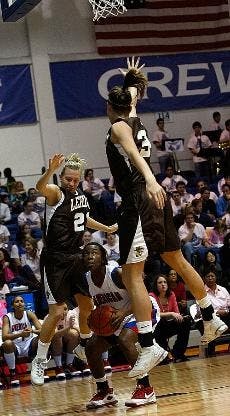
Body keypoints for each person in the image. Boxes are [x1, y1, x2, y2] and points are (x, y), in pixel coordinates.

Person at [106, 57, 227, 378]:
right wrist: (133, 76)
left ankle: (148, 344)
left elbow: (132, 153)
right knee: (176, 259)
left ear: (108, 106)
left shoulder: (118, 125)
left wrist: (149, 177)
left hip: (138, 200)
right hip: (153, 202)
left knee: (132, 275)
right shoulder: (133, 115)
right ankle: (210, 316)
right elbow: (134, 92)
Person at [30, 153, 117, 386]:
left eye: (75, 180)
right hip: (55, 260)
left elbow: (84, 218)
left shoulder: (80, 195)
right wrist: (49, 171)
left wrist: (106, 227)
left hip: (75, 256)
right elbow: (40, 187)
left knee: (88, 306)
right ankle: (39, 360)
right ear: (61, 178)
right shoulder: (56, 193)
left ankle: (85, 345)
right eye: (68, 179)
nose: (72, 183)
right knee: (57, 312)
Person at [82, 243, 161, 409]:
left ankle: (146, 389)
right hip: (116, 316)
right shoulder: (87, 278)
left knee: (125, 340)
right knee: (91, 347)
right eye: (86, 254)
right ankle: (104, 391)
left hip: (141, 309)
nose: (90, 256)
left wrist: (123, 313)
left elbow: (142, 296)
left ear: (103, 258)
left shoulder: (116, 273)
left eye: (94, 253)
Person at [1, 295, 41, 386]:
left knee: (42, 339)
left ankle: (38, 370)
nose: (19, 303)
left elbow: (42, 330)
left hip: (29, 343)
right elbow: (4, 337)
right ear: (12, 306)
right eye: (17, 301)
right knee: (7, 343)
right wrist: (20, 334)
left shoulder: (29, 314)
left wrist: (32, 330)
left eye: (21, 301)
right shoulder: (7, 317)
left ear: (24, 304)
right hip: (15, 346)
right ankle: (13, 373)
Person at [151, 274, 191, 362]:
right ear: (155, 285)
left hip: (169, 324)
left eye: (165, 282)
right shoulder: (151, 296)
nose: (163, 284)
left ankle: (178, 353)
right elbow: (155, 315)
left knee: (186, 321)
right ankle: (164, 354)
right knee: (160, 322)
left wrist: (178, 316)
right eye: (160, 282)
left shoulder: (171, 294)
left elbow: (177, 313)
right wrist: (171, 314)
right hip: (156, 327)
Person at [50, 303, 81, 379]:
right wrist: (69, 327)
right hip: (52, 343)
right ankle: (59, 367)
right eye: (61, 309)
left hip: (67, 341)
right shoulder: (51, 317)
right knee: (57, 336)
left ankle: (69, 365)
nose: (64, 311)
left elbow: (78, 331)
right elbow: (55, 334)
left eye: (65, 309)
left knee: (75, 334)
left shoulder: (71, 315)